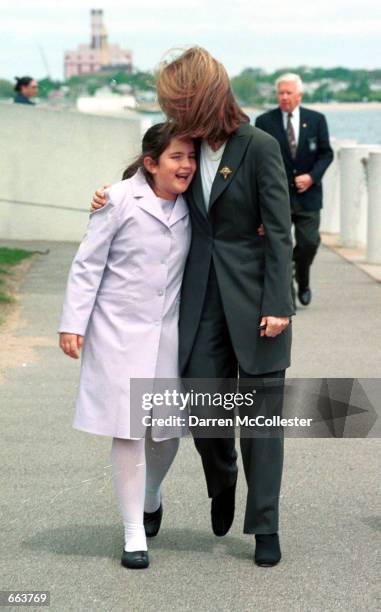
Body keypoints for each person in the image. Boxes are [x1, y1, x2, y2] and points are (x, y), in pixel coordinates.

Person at [92, 47, 294, 567]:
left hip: (258, 307)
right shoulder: (184, 145)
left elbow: (279, 231)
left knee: (262, 423)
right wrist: (107, 196)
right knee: (205, 417)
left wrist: (279, 304)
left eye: (178, 102)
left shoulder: (261, 146)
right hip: (199, 303)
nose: (173, 114)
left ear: (200, 97)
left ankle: (265, 526)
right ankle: (221, 479)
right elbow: (147, 183)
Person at [59, 123, 196, 570]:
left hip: (169, 335)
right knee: (129, 429)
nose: (187, 165)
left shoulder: (193, 204)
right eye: (177, 157)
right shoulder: (117, 199)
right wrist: (72, 324)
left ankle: (152, 494)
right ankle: (134, 531)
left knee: (167, 432)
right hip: (118, 333)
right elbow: (87, 264)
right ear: (152, 162)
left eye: (191, 157)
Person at [255, 73, 334, 306]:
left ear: (299, 95)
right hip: (277, 196)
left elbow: (326, 153)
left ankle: (303, 277)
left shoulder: (316, 119)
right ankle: (286, 291)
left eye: (289, 93)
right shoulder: (264, 122)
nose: (285, 97)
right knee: (279, 245)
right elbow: (259, 158)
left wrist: (311, 177)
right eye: (281, 93)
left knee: (309, 242)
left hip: (308, 195)